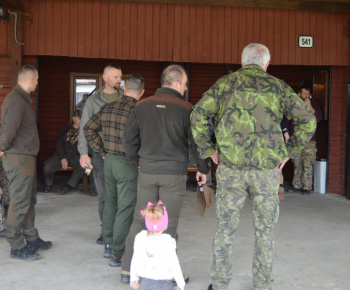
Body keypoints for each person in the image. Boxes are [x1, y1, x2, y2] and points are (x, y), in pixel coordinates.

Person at [190, 43, 316, 290]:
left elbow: (197, 115)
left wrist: (209, 149)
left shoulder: (225, 84)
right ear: (266, 64)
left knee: (225, 229)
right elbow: (307, 120)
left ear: (242, 61)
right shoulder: (278, 87)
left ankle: (219, 283)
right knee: (265, 232)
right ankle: (262, 284)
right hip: (266, 172)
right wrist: (289, 152)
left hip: (230, 170)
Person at [120, 64, 208, 284]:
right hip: (173, 173)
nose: (186, 88)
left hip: (147, 171)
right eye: (185, 84)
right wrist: (203, 169)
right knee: (168, 224)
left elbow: (128, 140)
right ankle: (168, 273)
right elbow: (197, 144)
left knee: (140, 221)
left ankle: (127, 269)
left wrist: (137, 162)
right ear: (176, 84)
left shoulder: (141, 106)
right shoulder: (187, 108)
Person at [84, 74, 145, 267]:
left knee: (110, 203)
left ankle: (108, 244)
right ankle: (118, 253)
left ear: (124, 89)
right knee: (126, 207)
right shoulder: (140, 111)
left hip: (108, 160)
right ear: (142, 92)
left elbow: (88, 129)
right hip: (127, 163)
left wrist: (101, 150)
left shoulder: (108, 107)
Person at [0, 65, 52, 261]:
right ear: (31, 80)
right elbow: (9, 132)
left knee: (28, 200)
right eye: (37, 79)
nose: (37, 82)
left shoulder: (22, 98)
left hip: (24, 157)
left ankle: (31, 238)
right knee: (19, 201)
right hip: (18, 158)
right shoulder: (16, 100)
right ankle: (16, 245)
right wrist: (2, 147)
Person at [78, 63, 124, 244]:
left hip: (122, 155)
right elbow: (84, 129)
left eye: (121, 77)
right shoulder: (93, 101)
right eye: (116, 77)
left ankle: (119, 232)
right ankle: (106, 232)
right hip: (100, 154)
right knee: (105, 196)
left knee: (122, 196)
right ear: (105, 78)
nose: (119, 80)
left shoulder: (125, 99)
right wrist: (83, 153)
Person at [130, 201, 185, 290]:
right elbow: (173, 264)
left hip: (145, 283)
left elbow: (135, 259)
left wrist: (134, 277)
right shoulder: (167, 241)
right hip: (164, 285)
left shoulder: (140, 239)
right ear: (165, 225)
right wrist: (180, 283)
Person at [287, 85, 322, 195]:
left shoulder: (314, 105)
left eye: (308, 94)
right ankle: (296, 185)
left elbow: (318, 119)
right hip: (296, 140)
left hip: (309, 140)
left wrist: (309, 105)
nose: (307, 96)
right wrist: (287, 136)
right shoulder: (294, 106)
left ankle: (307, 187)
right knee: (297, 163)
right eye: (304, 94)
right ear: (299, 95)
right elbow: (287, 121)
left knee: (308, 164)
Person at [42, 111, 85, 193]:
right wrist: (63, 158)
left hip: (75, 156)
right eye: (79, 118)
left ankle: (69, 185)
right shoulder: (65, 129)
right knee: (47, 167)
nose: (81, 120)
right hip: (60, 154)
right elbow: (59, 144)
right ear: (74, 119)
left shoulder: (84, 131)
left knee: (83, 166)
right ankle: (48, 183)